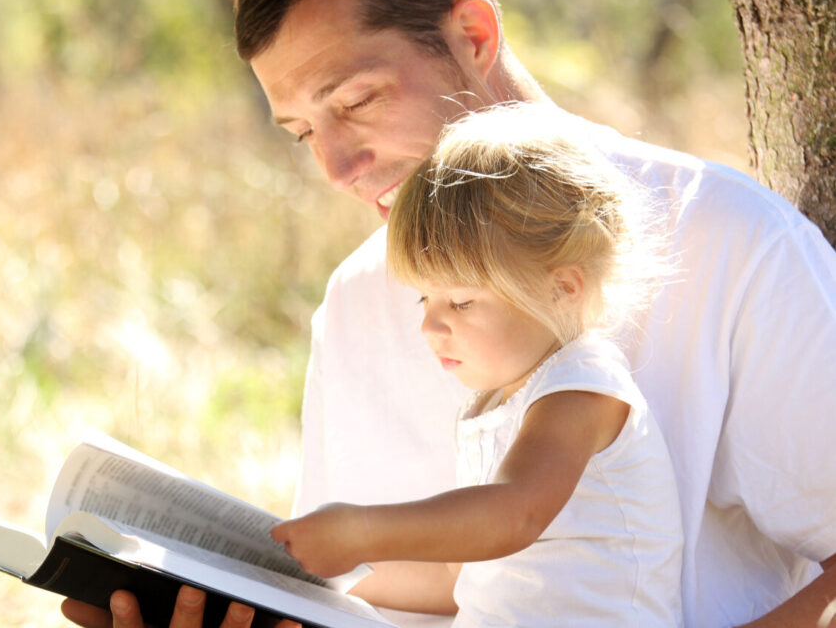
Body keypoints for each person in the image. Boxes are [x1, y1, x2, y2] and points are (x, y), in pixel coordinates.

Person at [62, 0, 836, 627]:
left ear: (472, 32)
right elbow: (400, 594)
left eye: (357, 100)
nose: (334, 166)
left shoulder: (732, 241)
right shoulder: (360, 299)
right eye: (302, 132)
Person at [270, 102, 685, 627]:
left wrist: (363, 531)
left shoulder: (581, 389)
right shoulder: (496, 403)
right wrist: (310, 579)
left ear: (562, 288)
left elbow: (517, 513)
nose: (429, 327)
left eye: (460, 303)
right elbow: (456, 582)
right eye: (425, 301)